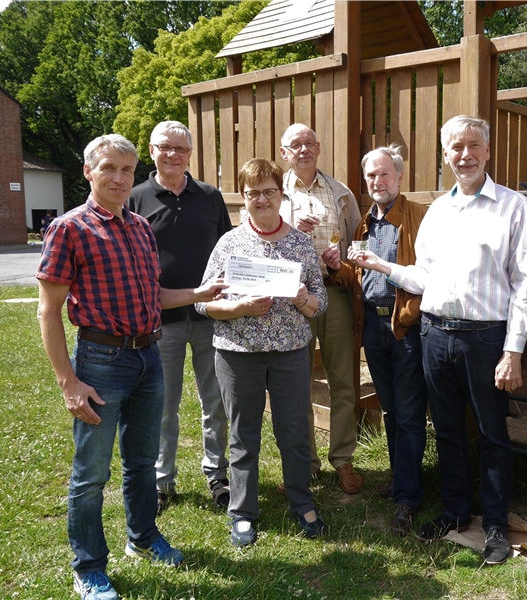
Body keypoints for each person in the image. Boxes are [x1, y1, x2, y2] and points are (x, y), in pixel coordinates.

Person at [36, 134, 225, 600]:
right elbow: (48, 310)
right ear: (89, 172)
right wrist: (69, 382)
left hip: (148, 357)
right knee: (91, 472)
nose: (119, 178)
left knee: (142, 463)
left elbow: (153, 297)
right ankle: (89, 567)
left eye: (126, 169)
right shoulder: (70, 228)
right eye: (109, 169)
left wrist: (197, 296)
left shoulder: (140, 226)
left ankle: (142, 536)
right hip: (101, 362)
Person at [351, 116, 527, 565]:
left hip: (485, 338)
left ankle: (494, 524)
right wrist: (381, 265)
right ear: (445, 155)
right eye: (456, 147)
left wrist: (512, 350)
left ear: (487, 151)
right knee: (448, 430)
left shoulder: (513, 207)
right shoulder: (438, 210)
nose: (465, 154)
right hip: (434, 334)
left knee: (492, 433)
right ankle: (455, 511)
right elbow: (423, 276)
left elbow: (523, 285)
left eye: (474, 145)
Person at [195, 158, 329, 545]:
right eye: (253, 193)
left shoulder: (300, 244)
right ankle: (242, 511)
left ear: (281, 195)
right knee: (243, 435)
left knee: (294, 432)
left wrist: (305, 299)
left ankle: (303, 502)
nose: (262, 200)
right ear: (243, 199)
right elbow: (204, 303)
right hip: (238, 353)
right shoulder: (230, 244)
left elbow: (320, 302)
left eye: (269, 191)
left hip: (289, 352)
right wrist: (238, 308)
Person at [323, 145, 429, 536]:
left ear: (400, 177)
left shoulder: (417, 217)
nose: (377, 182)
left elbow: (425, 272)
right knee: (389, 409)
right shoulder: (364, 224)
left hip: (406, 325)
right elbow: (358, 278)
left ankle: (408, 495)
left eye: (384, 174)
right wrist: (339, 267)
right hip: (372, 326)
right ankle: (403, 481)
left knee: (409, 410)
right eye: (371, 176)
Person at [129, 121, 232, 513]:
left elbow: (228, 248)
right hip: (160, 320)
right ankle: (162, 480)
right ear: (152, 150)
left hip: (210, 317)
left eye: (180, 148)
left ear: (190, 153)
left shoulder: (209, 196)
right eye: (164, 147)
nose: (172, 154)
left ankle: (217, 474)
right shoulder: (136, 198)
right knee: (163, 405)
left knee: (215, 401)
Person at [279, 123, 363, 494]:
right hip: (292, 300)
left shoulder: (340, 192)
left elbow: (360, 245)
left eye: (309, 142)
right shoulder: (273, 193)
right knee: (296, 384)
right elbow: (255, 241)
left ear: (319, 147)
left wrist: (340, 262)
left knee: (344, 380)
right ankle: (305, 465)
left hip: (335, 293)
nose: (303, 150)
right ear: (284, 153)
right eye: (295, 145)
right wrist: (289, 229)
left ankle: (343, 460)